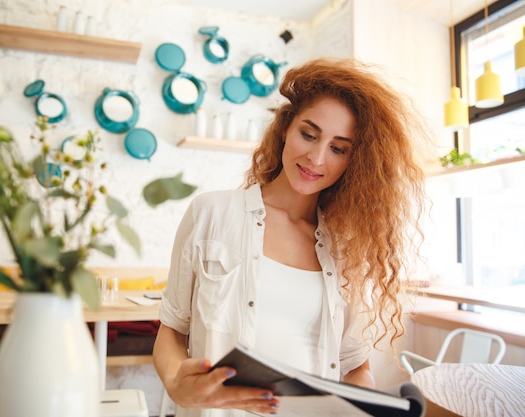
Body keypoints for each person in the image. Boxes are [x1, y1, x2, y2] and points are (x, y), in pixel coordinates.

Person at [153, 57, 427, 417]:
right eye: (309, 134)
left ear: (353, 161)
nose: (316, 157)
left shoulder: (344, 249)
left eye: (338, 148)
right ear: (285, 128)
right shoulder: (212, 214)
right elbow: (171, 332)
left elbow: (356, 366)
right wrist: (178, 385)